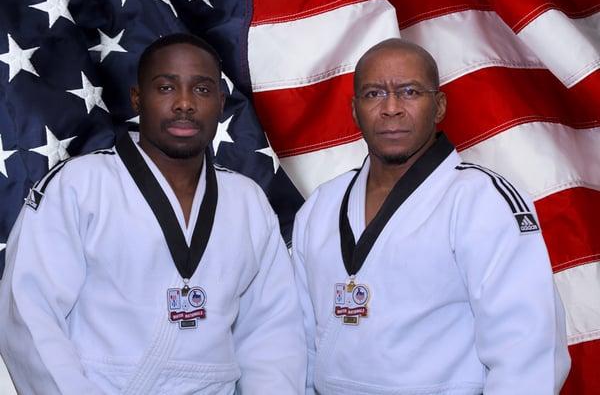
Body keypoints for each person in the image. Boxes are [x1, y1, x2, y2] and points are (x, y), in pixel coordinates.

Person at [0, 33, 306, 394]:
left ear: (221, 104)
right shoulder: (80, 186)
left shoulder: (248, 201)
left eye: (202, 90)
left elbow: (272, 333)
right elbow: (31, 314)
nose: (184, 103)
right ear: (137, 98)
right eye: (165, 88)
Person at [292, 38, 570, 394]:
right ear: (354, 109)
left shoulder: (480, 199)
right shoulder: (321, 206)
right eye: (374, 94)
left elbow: (529, 348)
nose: (391, 108)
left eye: (409, 92)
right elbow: (299, 343)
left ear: (438, 106)